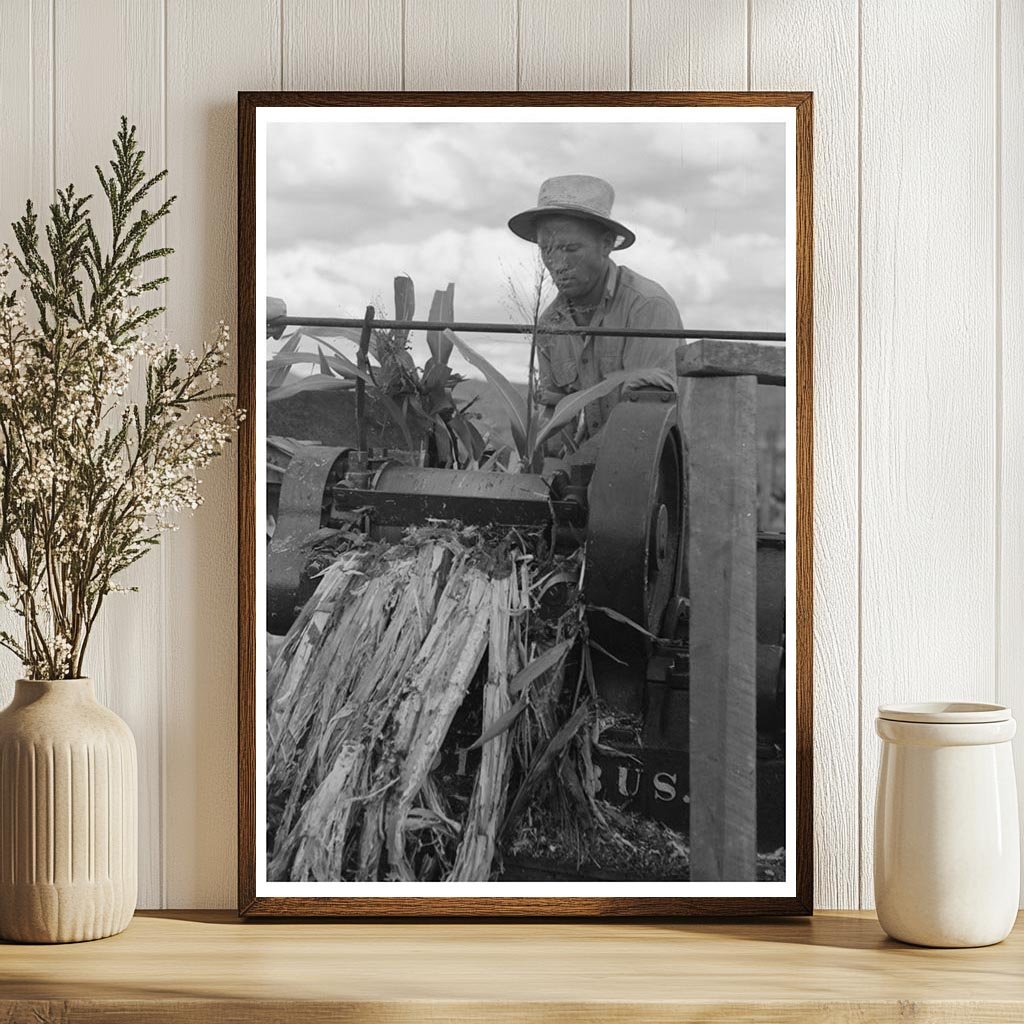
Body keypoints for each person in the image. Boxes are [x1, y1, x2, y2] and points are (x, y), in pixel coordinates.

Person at [507, 174, 683, 447]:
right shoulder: (550, 324)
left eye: (570, 249)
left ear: (606, 245)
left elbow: (646, 421)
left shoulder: (647, 307)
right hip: (583, 472)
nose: (556, 263)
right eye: (546, 249)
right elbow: (554, 418)